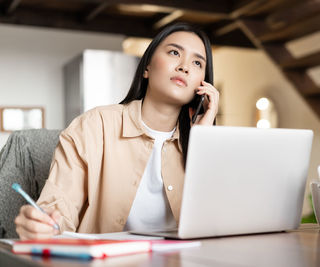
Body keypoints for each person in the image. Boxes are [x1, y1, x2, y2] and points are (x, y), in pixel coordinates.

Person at [14, 23, 219, 240]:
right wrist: (44, 223)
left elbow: (216, 223)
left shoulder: (202, 140)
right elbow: (60, 205)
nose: (185, 67)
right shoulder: (93, 126)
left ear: (202, 83)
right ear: (147, 67)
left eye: (197, 62)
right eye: (174, 52)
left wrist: (203, 144)